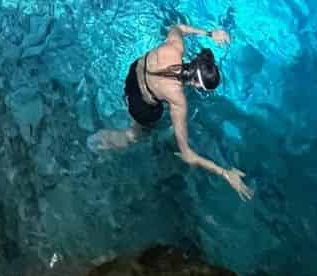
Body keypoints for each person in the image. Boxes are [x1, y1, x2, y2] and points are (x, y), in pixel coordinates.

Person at [89, 23, 253, 201]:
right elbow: (187, 154)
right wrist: (225, 173)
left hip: (134, 74)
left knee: (152, 92)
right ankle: (101, 142)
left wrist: (210, 33)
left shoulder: (175, 47)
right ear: (198, 85)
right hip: (142, 106)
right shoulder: (178, 100)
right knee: (136, 135)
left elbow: (179, 27)